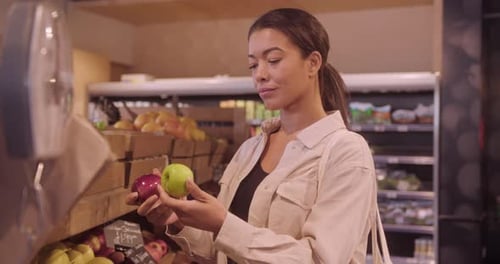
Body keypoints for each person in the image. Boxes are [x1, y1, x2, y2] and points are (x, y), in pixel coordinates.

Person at [127, 8, 387, 264]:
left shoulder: (346, 152)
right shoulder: (250, 149)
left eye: (273, 60)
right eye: (253, 64)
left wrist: (223, 223)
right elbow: (218, 249)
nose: (260, 74)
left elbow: (320, 260)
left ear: (313, 63)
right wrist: (176, 219)